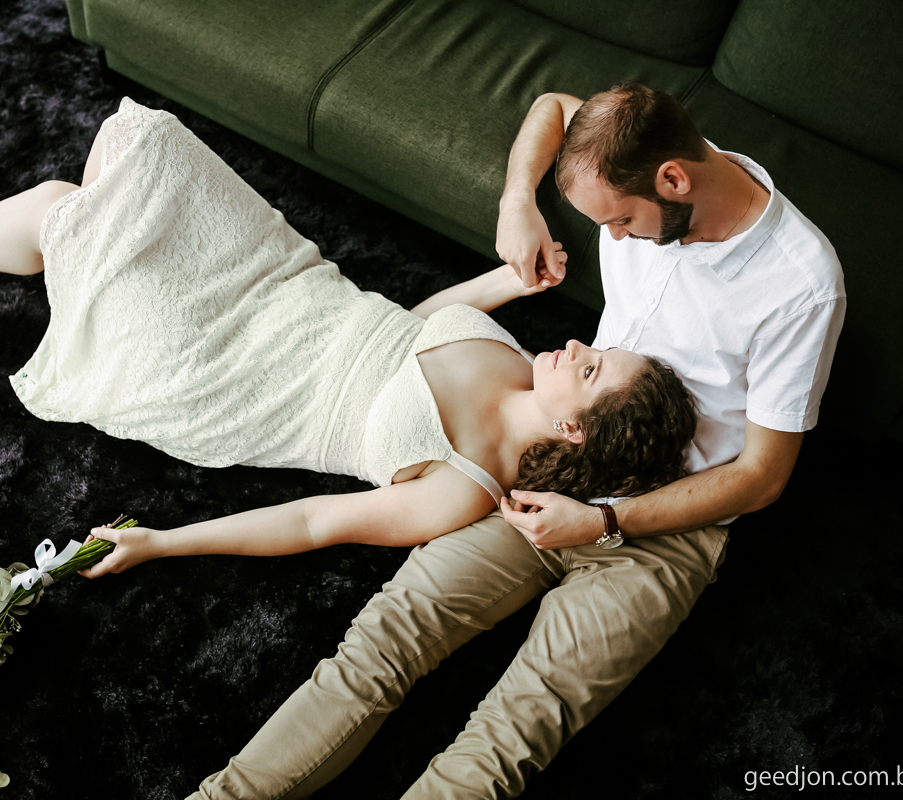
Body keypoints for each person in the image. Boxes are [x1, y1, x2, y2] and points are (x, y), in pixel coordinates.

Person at [183, 83, 845, 799]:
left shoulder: (801, 285)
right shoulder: (636, 145)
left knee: (516, 728)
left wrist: (604, 522)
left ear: (674, 180)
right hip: (551, 465)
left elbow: (762, 475)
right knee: (384, 638)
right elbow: (555, 107)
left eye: (621, 221)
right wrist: (517, 201)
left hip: (669, 527)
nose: (616, 240)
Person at [0, 97, 696, 568]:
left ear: (573, 428)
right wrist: (507, 282)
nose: (580, 347)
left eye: (592, 370)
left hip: (229, 375)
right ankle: (52, 250)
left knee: (62, 207)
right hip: (286, 286)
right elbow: (407, 332)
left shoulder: (461, 487)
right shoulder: (519, 362)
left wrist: (162, 543)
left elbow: (313, 522)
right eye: (597, 350)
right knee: (137, 143)